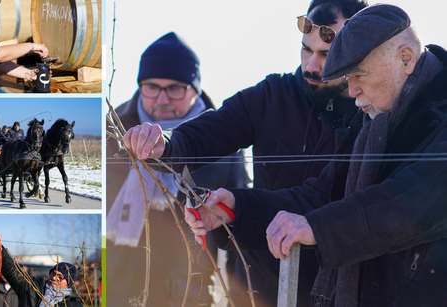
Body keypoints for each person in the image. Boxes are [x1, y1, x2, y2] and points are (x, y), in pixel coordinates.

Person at [186, 4, 447, 306]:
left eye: (359, 74)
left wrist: (320, 228)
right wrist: (237, 211)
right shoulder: (374, 128)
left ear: (405, 58)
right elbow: (321, 198)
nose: (352, 91)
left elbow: (412, 200)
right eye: (347, 77)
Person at [122, 1, 368, 306]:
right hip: (257, 289)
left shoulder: (372, 115)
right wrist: (168, 143)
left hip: (340, 291)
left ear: (359, 52)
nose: (310, 66)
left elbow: (325, 199)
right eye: (305, 49)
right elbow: (215, 128)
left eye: (325, 55)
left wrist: (238, 206)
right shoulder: (273, 95)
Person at [107, 31, 249, 307]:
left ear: (195, 89)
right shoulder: (113, 131)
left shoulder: (225, 141)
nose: (161, 99)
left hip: (189, 293)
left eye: (174, 88)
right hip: (117, 291)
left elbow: (238, 230)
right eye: (151, 87)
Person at [0, 247, 83, 307]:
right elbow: (11, 271)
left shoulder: (74, 304)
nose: (54, 278)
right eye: (53, 274)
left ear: (69, 282)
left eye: (60, 277)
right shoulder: (32, 287)